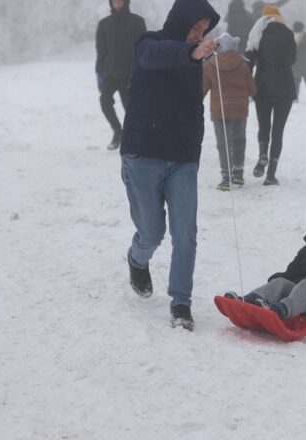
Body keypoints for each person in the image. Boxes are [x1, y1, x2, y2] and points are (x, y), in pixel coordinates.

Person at [119, 0, 219, 331]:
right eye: (195, 27)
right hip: (142, 153)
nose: (198, 34)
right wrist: (191, 53)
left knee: (185, 233)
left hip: (182, 158)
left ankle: (181, 303)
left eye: (203, 31)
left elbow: (192, 105)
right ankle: (137, 259)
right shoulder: (148, 43)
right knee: (152, 232)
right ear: (180, 20)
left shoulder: (195, 59)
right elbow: (157, 57)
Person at [245, 5, 296, 186]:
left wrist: (247, 85)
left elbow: (248, 62)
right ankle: (271, 175)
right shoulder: (288, 34)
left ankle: (263, 155)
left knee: (264, 125)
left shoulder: (257, 35)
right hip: (285, 89)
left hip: (263, 88)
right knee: (278, 130)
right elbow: (292, 60)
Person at [202, 33, 257, 191]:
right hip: (240, 109)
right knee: (239, 141)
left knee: (223, 143)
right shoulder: (243, 64)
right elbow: (252, 88)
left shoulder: (210, 65)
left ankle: (226, 177)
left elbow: (203, 89)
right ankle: (238, 174)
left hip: (219, 111)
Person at [95, 0, 146, 150]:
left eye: (120, 1)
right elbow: (101, 50)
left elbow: (143, 48)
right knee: (104, 102)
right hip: (109, 73)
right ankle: (118, 132)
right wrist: (99, 72)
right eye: (114, 1)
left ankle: (134, 138)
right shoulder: (104, 24)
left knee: (129, 108)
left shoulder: (137, 21)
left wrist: (142, 71)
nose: (117, 4)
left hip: (129, 74)